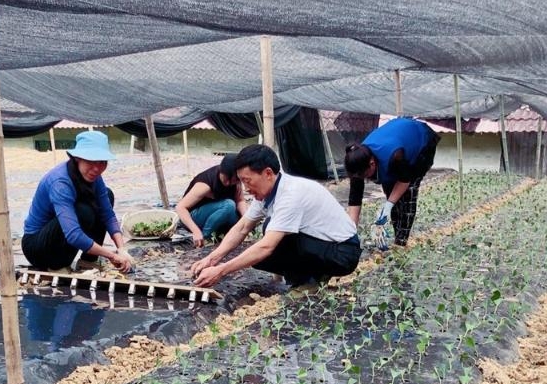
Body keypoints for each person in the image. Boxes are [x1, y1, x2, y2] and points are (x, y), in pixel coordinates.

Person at [192, 144, 361, 287]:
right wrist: (211, 259)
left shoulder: (291, 194)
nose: (245, 188)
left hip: (343, 252)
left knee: (267, 243)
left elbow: (266, 247)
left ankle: (309, 281)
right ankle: (309, 277)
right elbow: (242, 227)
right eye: (242, 181)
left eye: (247, 180)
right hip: (322, 244)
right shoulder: (266, 193)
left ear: (267, 173)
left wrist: (221, 271)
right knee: (261, 251)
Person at [22, 131, 132, 272]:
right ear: (77, 158)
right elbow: (73, 235)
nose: (97, 168)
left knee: (107, 195)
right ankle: (57, 265)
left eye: (102, 162)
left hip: (62, 236)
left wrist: (121, 249)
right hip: (37, 247)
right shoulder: (60, 183)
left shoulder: (95, 176)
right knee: (83, 212)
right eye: (91, 162)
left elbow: (108, 215)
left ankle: (88, 261)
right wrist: (111, 256)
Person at [344, 117, 439, 247]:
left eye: (366, 175)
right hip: (395, 139)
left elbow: (405, 181)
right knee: (390, 190)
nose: (364, 179)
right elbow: (355, 200)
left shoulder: (395, 156)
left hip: (421, 142)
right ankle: (396, 235)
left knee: (408, 194)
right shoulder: (357, 162)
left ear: (372, 164)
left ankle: (400, 243)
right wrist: (351, 235)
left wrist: (388, 206)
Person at [176, 154, 248, 247]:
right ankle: (206, 238)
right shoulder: (205, 184)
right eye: (225, 179)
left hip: (217, 215)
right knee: (229, 205)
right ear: (221, 171)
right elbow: (180, 207)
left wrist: (247, 219)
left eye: (233, 181)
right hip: (194, 218)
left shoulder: (236, 182)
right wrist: (196, 231)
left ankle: (225, 236)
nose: (228, 183)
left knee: (239, 216)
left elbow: (240, 201)